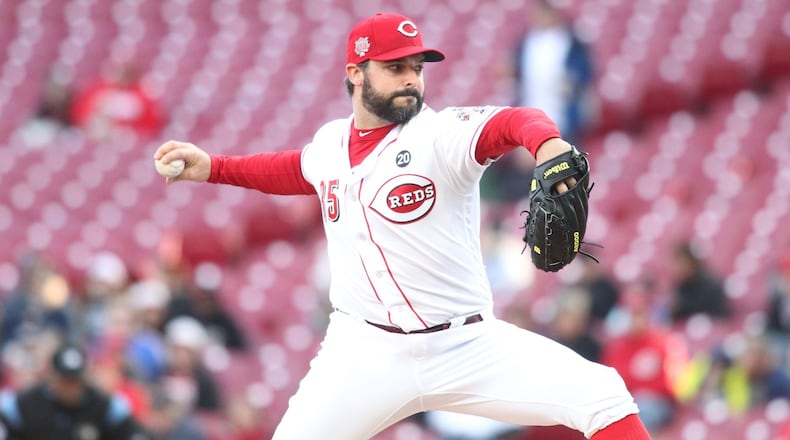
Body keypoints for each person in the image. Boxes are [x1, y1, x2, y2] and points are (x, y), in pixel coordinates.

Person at [154, 13, 649, 439]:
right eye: (395, 68)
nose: (412, 78)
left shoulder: (439, 135)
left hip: (464, 344)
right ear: (356, 73)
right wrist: (213, 166)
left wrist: (545, 144)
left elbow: (513, 120)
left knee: (603, 396)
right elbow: (292, 169)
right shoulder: (329, 144)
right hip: (362, 351)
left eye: (416, 67)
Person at [0, 343, 149, 439]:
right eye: (65, 381)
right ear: (52, 377)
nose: (70, 388)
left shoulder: (103, 405)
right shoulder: (24, 405)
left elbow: (135, 434)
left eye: (75, 381)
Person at [668, 242, 731, 323]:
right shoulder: (679, 286)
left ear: (692, 263)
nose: (678, 269)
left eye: (681, 264)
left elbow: (719, 316)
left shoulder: (711, 285)